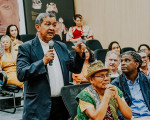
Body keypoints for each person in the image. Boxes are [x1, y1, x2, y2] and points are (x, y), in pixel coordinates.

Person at [17, 12, 86, 120]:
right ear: (37, 27)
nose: (52, 28)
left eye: (54, 25)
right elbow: (21, 74)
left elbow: (75, 69)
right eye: (47, 24)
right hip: (37, 107)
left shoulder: (61, 47)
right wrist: (43, 62)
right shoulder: (26, 48)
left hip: (61, 106)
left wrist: (79, 54)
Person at [111, 51, 150, 119]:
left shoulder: (147, 81)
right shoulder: (116, 84)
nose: (123, 63)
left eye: (127, 60)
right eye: (122, 61)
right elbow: (117, 110)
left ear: (136, 64)